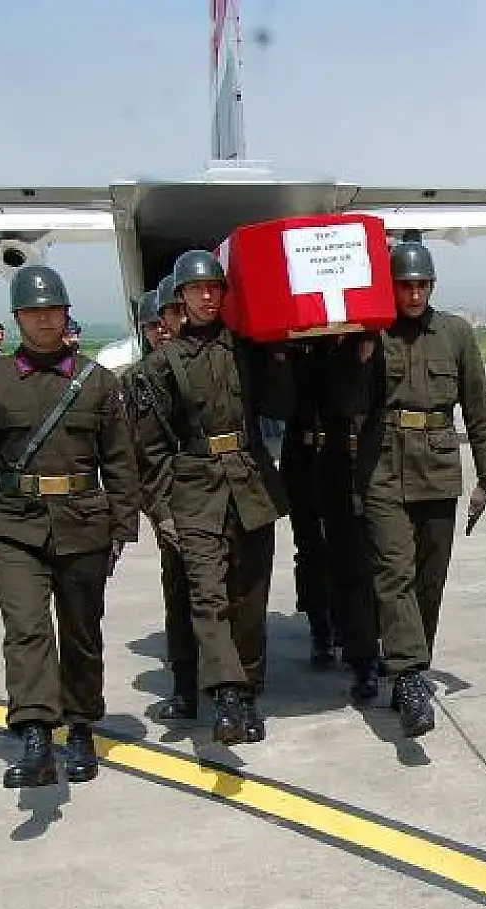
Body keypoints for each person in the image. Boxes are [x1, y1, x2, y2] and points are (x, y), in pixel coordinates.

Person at [0, 265, 141, 789]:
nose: (43, 320)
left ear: (66, 315)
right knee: (26, 628)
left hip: (84, 524)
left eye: (52, 311)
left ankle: (80, 725)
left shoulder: (97, 382)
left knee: (81, 632)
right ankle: (35, 731)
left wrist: (122, 528)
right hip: (14, 527)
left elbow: (121, 464)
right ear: (17, 318)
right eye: (33, 312)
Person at [131, 249, 291, 746]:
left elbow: (280, 404)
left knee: (249, 597)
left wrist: (281, 354)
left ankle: (247, 694)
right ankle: (223, 693)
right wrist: (162, 512)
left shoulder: (247, 349)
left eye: (214, 288)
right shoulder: (160, 366)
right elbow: (149, 449)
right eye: (196, 289)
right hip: (194, 489)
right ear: (180, 298)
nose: (206, 296)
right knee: (208, 596)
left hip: (250, 482)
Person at [368, 240, 486, 738]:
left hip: (440, 466)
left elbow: (478, 406)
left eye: (422, 284)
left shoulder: (457, 334)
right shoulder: (373, 333)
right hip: (382, 466)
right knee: (394, 574)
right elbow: (344, 401)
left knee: (430, 577)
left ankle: (413, 665)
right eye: (406, 285)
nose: (415, 293)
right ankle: (406, 676)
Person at [281, 333, 383, 702]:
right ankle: (319, 624)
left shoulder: (364, 343)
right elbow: (280, 402)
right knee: (311, 549)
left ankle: (358, 640)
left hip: (345, 456)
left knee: (355, 556)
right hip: (305, 458)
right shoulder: (300, 343)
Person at [124, 288, 197, 720]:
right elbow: (135, 456)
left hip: (209, 493)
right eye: (153, 326)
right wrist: (160, 511)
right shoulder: (135, 382)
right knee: (181, 594)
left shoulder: (195, 369)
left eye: (167, 322)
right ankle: (185, 686)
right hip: (167, 500)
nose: (162, 332)